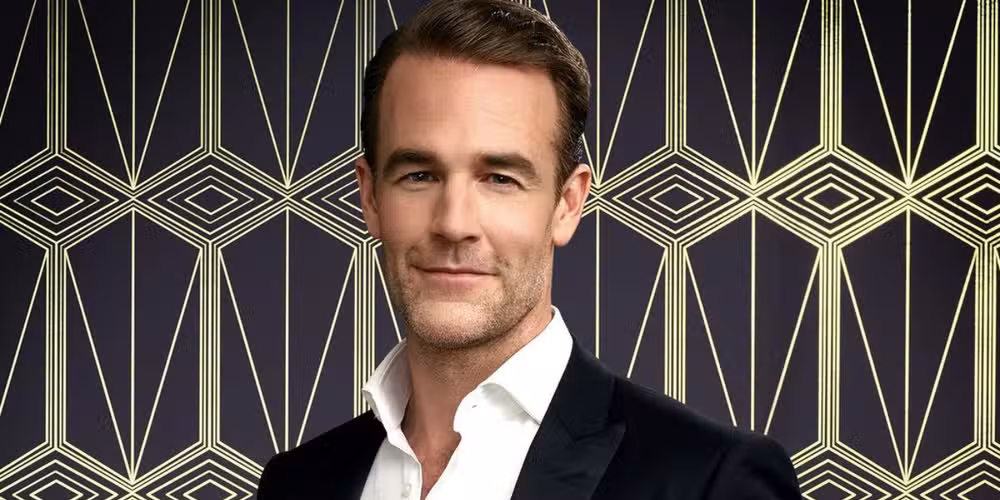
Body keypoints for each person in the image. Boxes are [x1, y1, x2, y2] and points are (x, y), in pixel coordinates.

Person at [256, 0, 802, 498]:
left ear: (566, 204)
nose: (454, 224)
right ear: (371, 197)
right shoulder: (295, 484)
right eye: (419, 175)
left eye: (500, 178)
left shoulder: (711, 481)